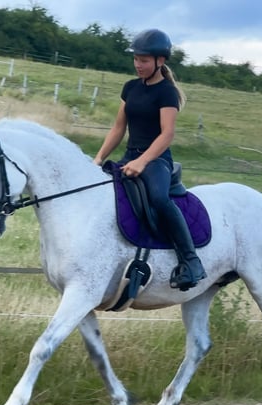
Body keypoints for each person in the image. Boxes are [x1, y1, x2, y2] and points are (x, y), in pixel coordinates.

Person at [93, 29, 207, 291]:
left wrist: (143, 162)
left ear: (160, 61)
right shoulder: (130, 87)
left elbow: (167, 135)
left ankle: (191, 261)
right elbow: (118, 128)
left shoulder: (166, 92)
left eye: (143, 60)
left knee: (158, 198)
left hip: (156, 161)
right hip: (129, 156)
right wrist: (99, 157)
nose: (137, 64)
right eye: (135, 59)